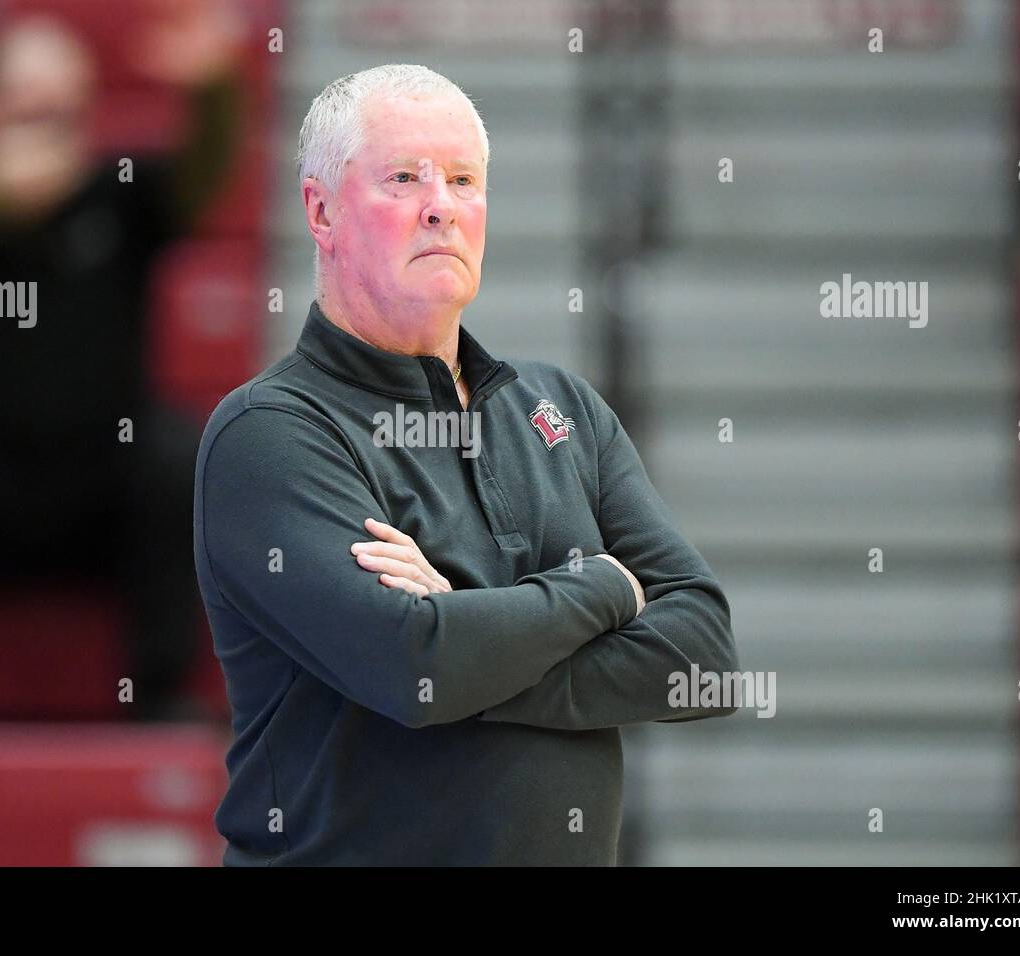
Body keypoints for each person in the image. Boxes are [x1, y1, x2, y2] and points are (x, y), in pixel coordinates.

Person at [194, 64, 737, 865]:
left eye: (462, 179)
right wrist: (604, 588)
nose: (440, 205)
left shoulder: (565, 410)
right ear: (321, 211)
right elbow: (415, 665)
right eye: (404, 178)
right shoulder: (270, 433)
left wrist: (472, 633)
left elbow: (702, 653)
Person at [0, 0, 244, 720]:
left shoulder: (118, 196)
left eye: (62, 113)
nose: (44, 133)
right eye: (26, 110)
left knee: (179, 451)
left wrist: (213, 91)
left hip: (98, 489)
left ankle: (158, 703)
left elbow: (203, 177)